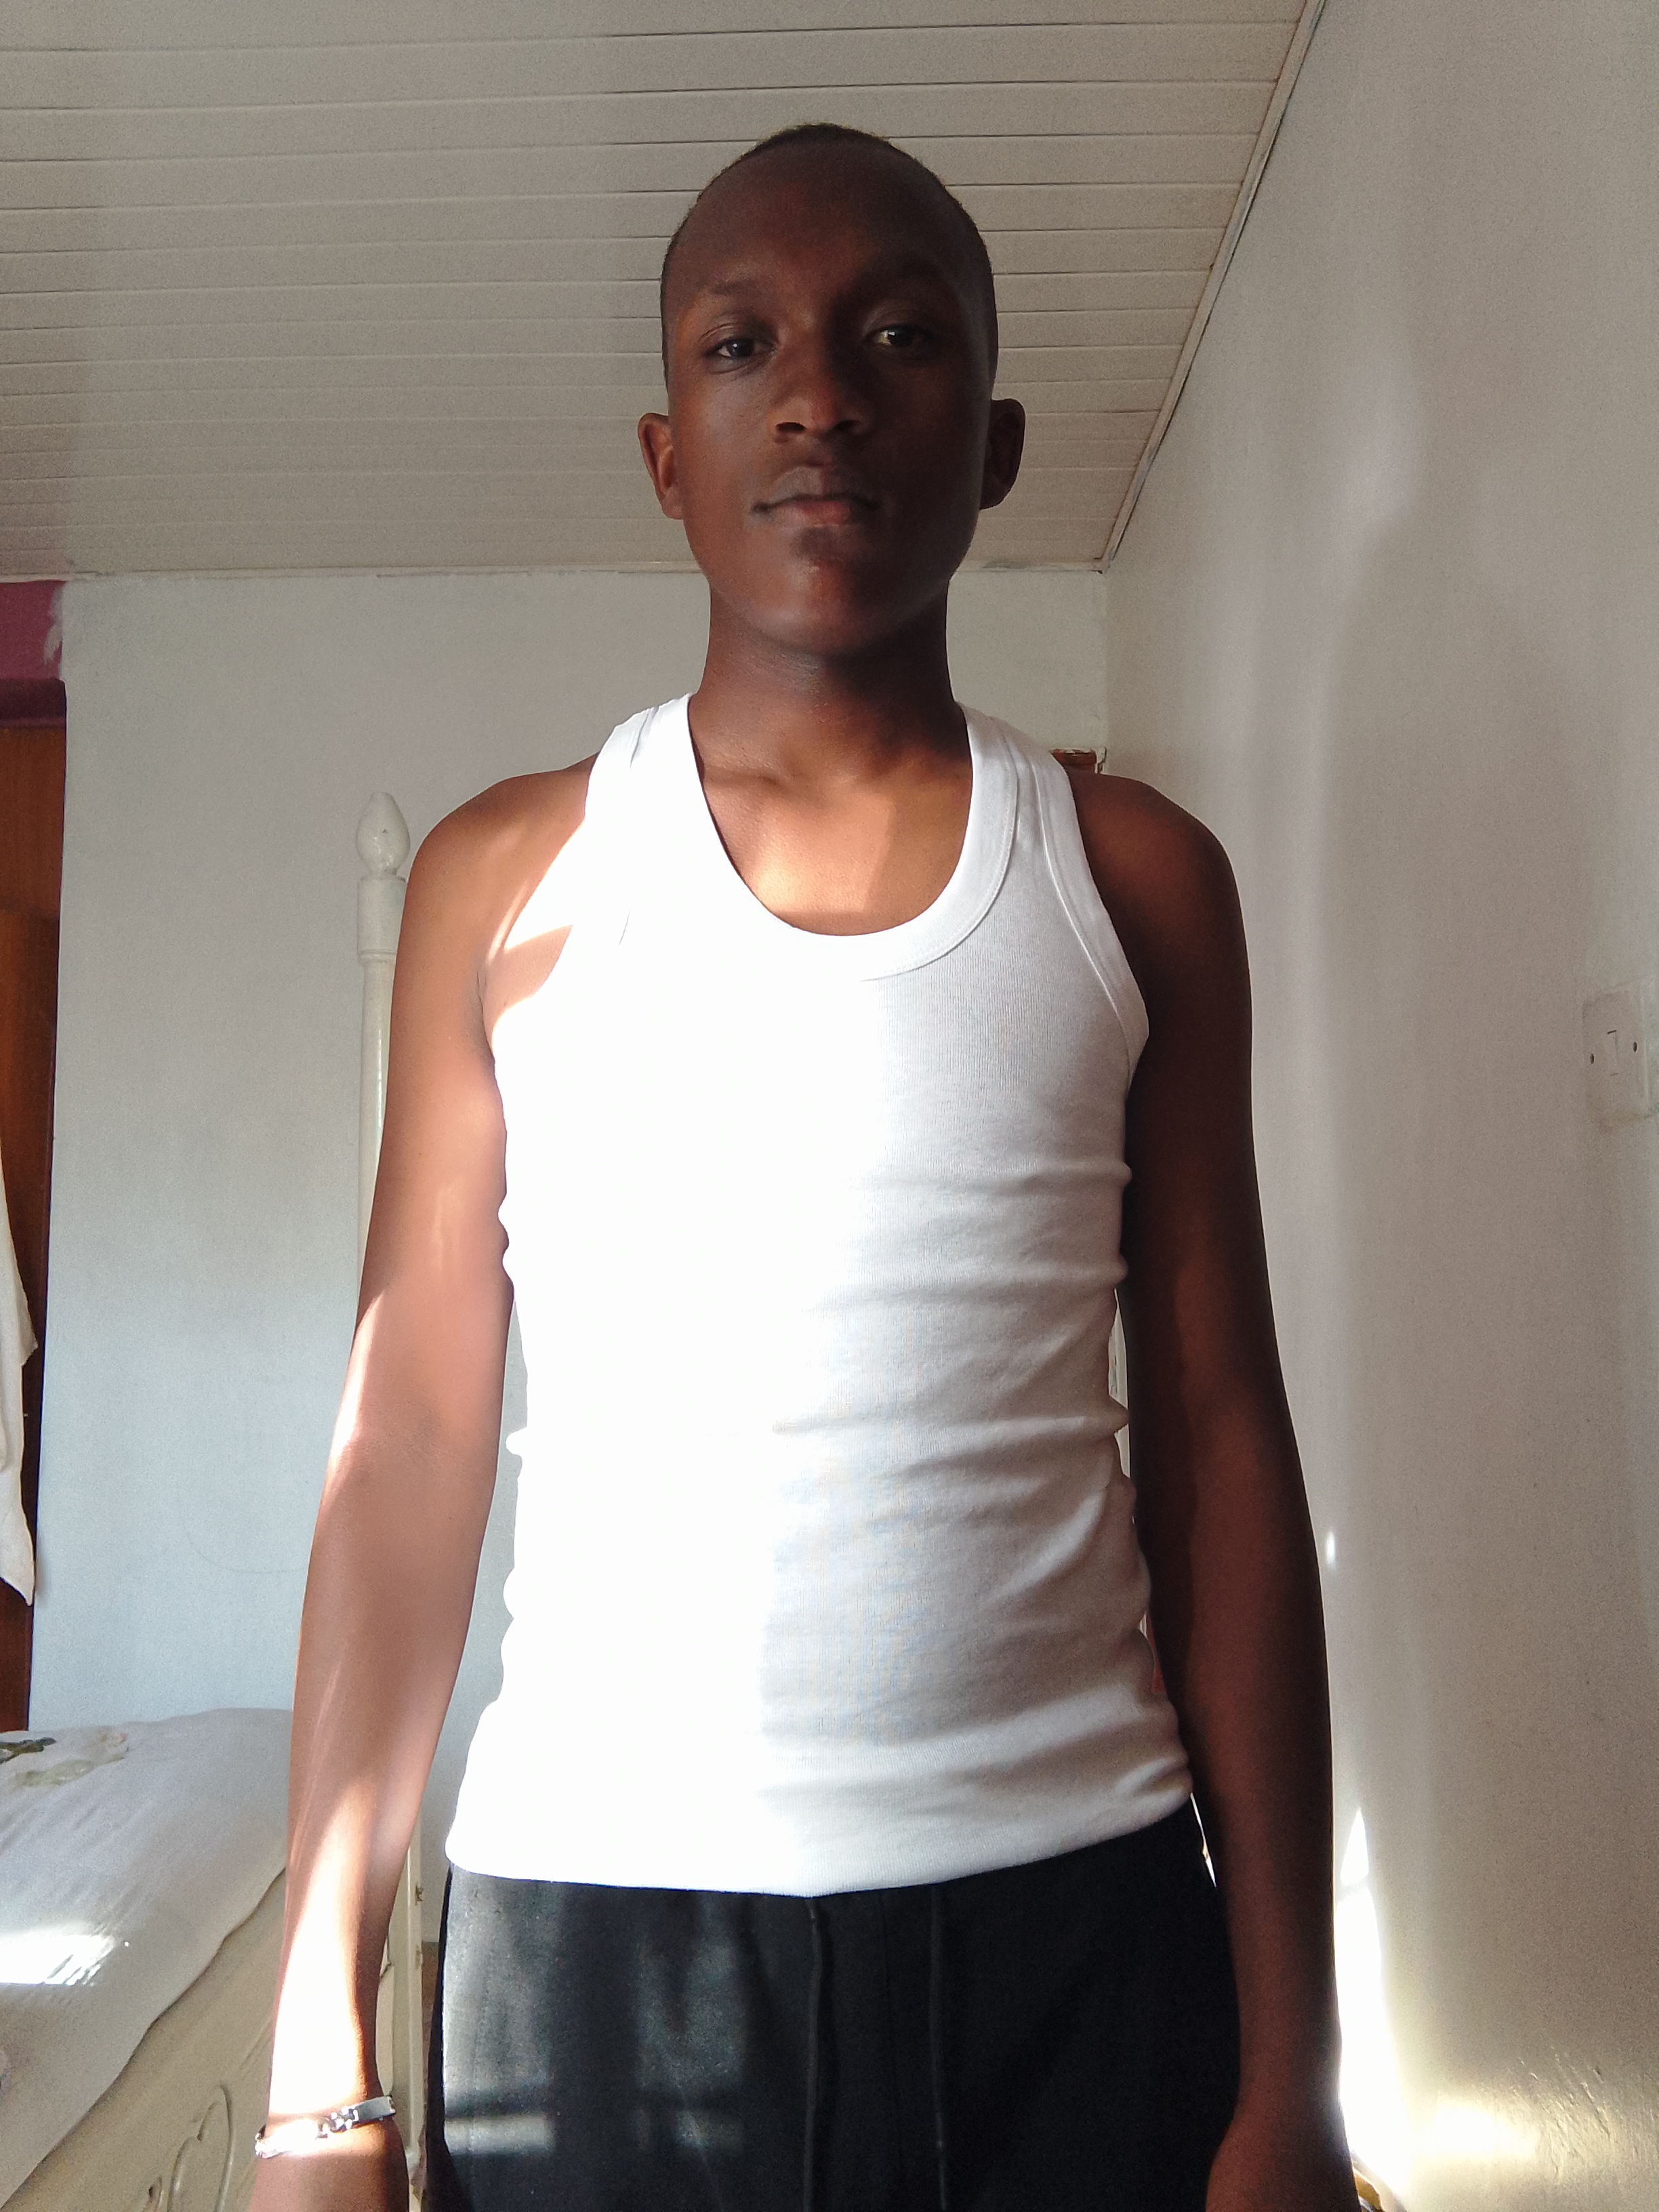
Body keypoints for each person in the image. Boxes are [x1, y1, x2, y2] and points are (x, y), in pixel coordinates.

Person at [251, 124, 1358, 2212]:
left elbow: (1224, 1450)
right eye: (744, 343)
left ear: (998, 442)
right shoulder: (505, 880)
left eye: (900, 337)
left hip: (1076, 1931)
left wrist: (1294, 2072)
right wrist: (320, 2081)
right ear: (668, 455)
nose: (822, 396)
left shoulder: (1136, 882)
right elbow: (406, 1450)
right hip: (601, 1949)